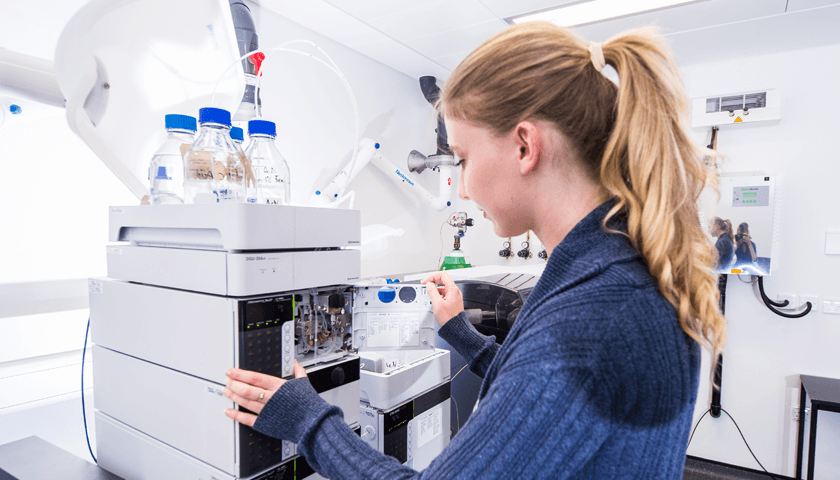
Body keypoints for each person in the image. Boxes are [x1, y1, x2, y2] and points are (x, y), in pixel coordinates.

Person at [222, 22, 726, 479]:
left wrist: (309, 419)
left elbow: (559, 367)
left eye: (463, 159)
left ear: (525, 146)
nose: (462, 189)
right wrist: (460, 334)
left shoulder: (592, 321)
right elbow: (547, 396)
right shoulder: (616, 267)